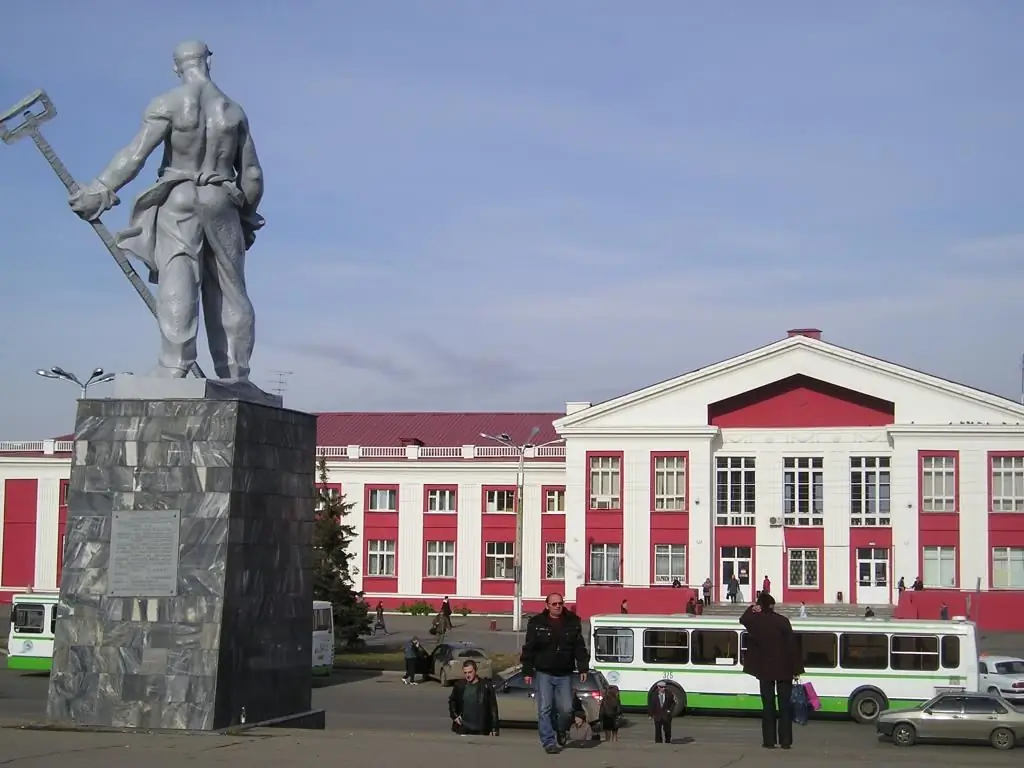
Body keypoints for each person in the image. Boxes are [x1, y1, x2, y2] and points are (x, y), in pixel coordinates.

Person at [69, 41, 265, 381]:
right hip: (221, 198)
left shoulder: (170, 103)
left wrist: (99, 191)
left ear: (177, 67)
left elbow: (135, 154)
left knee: (180, 275)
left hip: (179, 196)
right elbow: (251, 174)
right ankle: (236, 372)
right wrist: (245, 217)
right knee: (231, 288)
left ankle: (175, 364)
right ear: (209, 62)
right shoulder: (233, 112)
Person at [522, 592, 590, 754]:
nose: (558, 606)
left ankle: (561, 730)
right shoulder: (537, 623)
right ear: (547, 606)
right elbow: (529, 648)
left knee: (566, 709)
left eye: (560, 603)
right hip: (544, 672)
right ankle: (548, 742)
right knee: (545, 708)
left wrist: (583, 667)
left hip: (565, 672)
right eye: (554, 604)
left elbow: (579, 647)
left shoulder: (572, 622)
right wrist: (527, 670)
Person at [740, 592, 804, 750]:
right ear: (773, 605)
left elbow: (743, 619)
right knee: (784, 706)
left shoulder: (756, 621)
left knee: (768, 705)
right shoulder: (783, 621)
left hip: (765, 671)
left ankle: (769, 741)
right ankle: (786, 741)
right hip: (785, 670)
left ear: (760, 606)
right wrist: (796, 669)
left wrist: (752, 608)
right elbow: (792, 647)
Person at [448, 660, 499, 736]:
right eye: (465, 673)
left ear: (475, 671)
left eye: (470, 672)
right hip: (464, 728)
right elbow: (452, 701)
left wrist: (494, 728)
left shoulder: (486, 686)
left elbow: (493, 708)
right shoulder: (460, 685)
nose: (468, 675)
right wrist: (455, 715)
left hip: (481, 729)